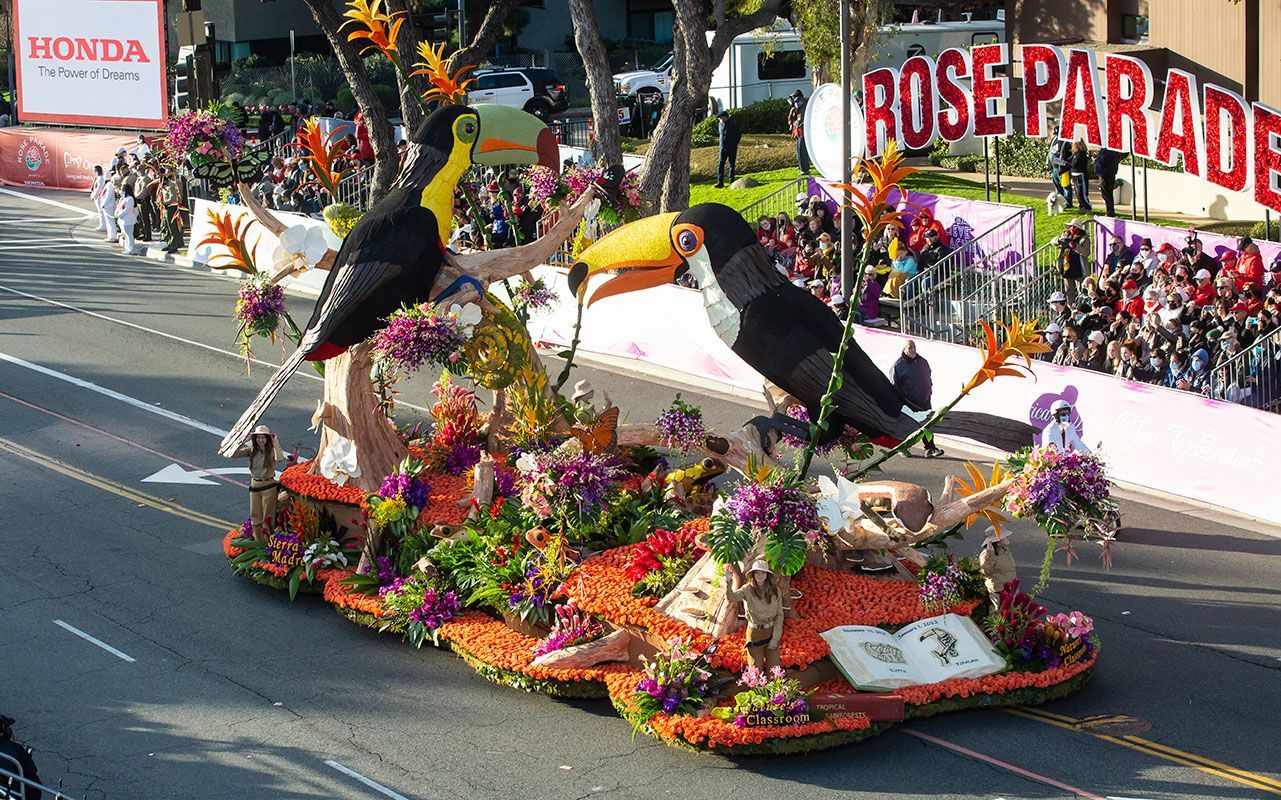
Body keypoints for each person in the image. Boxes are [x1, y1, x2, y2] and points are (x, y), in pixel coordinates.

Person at [724, 560, 784, 671]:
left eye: (763, 573)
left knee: (775, 671)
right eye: (757, 573)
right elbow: (731, 598)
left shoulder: (775, 590)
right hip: (755, 633)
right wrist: (728, 581)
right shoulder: (747, 589)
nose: (760, 576)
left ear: (767, 575)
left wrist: (775, 638)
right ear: (753, 574)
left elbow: (779, 615)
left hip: (771, 631)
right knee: (755, 670)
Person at [890, 339, 944, 457]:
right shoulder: (898, 365)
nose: (913, 349)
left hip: (924, 399)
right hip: (908, 401)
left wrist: (929, 390)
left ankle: (930, 448)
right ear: (904, 349)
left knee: (928, 424)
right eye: (910, 347)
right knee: (907, 425)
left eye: (914, 347)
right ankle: (902, 447)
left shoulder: (922, 361)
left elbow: (928, 376)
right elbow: (894, 385)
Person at [233, 425, 285, 542]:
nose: (260, 440)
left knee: (267, 518)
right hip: (255, 486)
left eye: (263, 438)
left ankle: (267, 544)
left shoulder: (271, 451)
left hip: (268, 487)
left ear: (267, 439)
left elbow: (280, 458)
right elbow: (233, 453)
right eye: (258, 437)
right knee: (255, 518)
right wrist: (244, 439)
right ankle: (258, 542)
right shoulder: (251, 450)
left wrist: (275, 441)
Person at [1057, 220, 1088, 299]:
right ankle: (1071, 307)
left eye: (1074, 226)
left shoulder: (1084, 238)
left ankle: (1082, 307)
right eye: (1071, 226)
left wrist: (1075, 246)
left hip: (1079, 268)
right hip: (1066, 267)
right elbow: (1053, 241)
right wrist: (1059, 240)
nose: (1071, 228)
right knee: (1069, 292)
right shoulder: (1066, 235)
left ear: (1078, 228)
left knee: (1082, 290)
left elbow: (1086, 253)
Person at [714, 110, 740, 188]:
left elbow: (738, 135)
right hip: (723, 148)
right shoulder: (720, 124)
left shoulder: (733, 124)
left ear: (725, 117)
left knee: (732, 164)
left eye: (721, 117)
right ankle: (720, 182)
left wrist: (734, 144)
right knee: (721, 164)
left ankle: (731, 180)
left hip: (731, 147)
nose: (720, 119)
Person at [787, 90, 811, 176]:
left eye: (798, 101)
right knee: (799, 150)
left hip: (803, 133)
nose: (796, 103)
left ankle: (805, 169)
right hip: (798, 133)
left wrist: (794, 121)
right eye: (795, 101)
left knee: (802, 151)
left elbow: (799, 121)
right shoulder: (796, 109)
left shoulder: (804, 107)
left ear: (802, 100)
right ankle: (801, 166)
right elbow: (791, 120)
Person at [1094, 146, 1122, 216]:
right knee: (1107, 194)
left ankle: (1110, 212)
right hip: (1108, 173)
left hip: (1105, 174)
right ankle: (1110, 211)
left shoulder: (1107, 151)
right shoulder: (1112, 151)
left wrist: (1097, 161)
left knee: (1106, 194)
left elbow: (1102, 162)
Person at [1068, 140, 1092, 211]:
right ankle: (1082, 207)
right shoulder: (1075, 153)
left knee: (1082, 193)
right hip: (1074, 174)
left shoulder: (1081, 154)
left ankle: (1087, 208)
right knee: (1078, 193)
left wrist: (1068, 164)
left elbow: (1075, 164)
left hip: (1080, 174)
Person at [115, 183, 139, 255]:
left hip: (128, 220)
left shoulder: (130, 199)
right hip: (123, 220)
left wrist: (120, 214)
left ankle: (131, 249)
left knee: (129, 235)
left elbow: (128, 209)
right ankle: (127, 248)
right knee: (125, 234)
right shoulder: (124, 198)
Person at [90, 165, 110, 233]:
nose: (94, 172)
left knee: (101, 212)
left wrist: (94, 196)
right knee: (100, 212)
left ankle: (103, 225)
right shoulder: (98, 178)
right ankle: (102, 225)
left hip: (99, 197)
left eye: (94, 171)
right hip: (97, 197)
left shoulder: (100, 179)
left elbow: (99, 188)